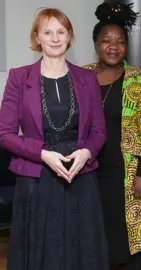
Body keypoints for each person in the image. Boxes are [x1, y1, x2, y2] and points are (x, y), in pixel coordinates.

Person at [0, 8, 108, 269]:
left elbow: (99, 132)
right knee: (41, 252)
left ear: (70, 37)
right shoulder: (19, 76)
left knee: (81, 250)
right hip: (37, 177)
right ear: (36, 37)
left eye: (61, 32)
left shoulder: (87, 78)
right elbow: (5, 134)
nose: (55, 38)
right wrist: (43, 154)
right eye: (47, 32)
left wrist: (86, 154)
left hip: (79, 174)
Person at [83, 2, 141, 269]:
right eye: (106, 40)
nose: (113, 46)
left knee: (129, 244)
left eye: (119, 41)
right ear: (96, 43)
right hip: (89, 174)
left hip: (128, 175)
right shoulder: (81, 77)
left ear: (127, 46)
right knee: (94, 241)